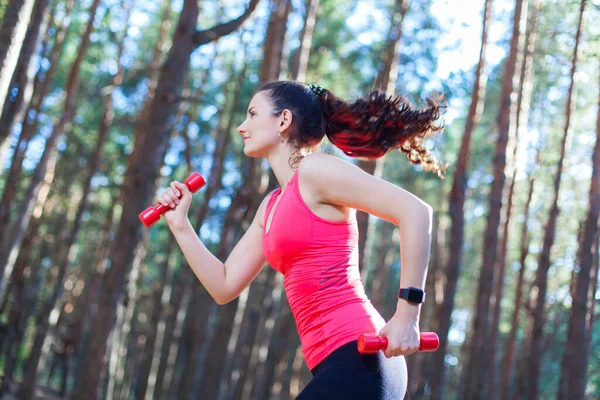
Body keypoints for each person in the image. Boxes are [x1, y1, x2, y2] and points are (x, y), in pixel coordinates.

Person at [156, 81, 446, 399]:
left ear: (283, 120)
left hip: (361, 356)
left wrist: (407, 315)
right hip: (330, 364)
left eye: (252, 114)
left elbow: (416, 212)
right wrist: (180, 224)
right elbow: (224, 286)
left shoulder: (315, 171)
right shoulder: (270, 207)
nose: (242, 126)